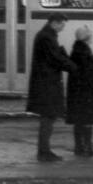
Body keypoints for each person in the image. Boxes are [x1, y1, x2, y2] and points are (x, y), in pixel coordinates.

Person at [25, 13, 75, 161]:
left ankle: (44, 150)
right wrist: (73, 67)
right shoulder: (47, 37)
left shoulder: (46, 35)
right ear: (54, 23)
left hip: (45, 83)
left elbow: (54, 56)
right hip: (46, 84)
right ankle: (44, 152)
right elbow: (55, 59)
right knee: (47, 118)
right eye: (62, 24)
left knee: (48, 118)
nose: (63, 27)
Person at [65, 25, 93, 157]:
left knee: (79, 121)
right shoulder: (83, 52)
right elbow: (89, 74)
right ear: (87, 37)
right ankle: (87, 148)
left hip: (78, 93)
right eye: (90, 34)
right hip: (86, 93)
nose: (92, 36)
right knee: (87, 120)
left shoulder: (76, 50)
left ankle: (79, 147)